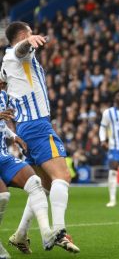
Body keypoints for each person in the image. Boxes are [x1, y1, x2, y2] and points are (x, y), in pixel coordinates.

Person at [1, 21, 79, 253]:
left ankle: (21, 235)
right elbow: (20, 50)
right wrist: (27, 42)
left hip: (27, 127)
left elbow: (4, 79)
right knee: (62, 176)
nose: (33, 35)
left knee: (43, 184)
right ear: (24, 34)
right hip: (36, 125)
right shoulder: (18, 54)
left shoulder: (7, 63)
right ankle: (59, 231)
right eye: (29, 32)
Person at [0, 89, 58, 257]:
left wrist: (14, 136)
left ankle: (46, 233)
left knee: (35, 182)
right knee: (3, 196)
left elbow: (2, 124)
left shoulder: (4, 96)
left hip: (4, 156)